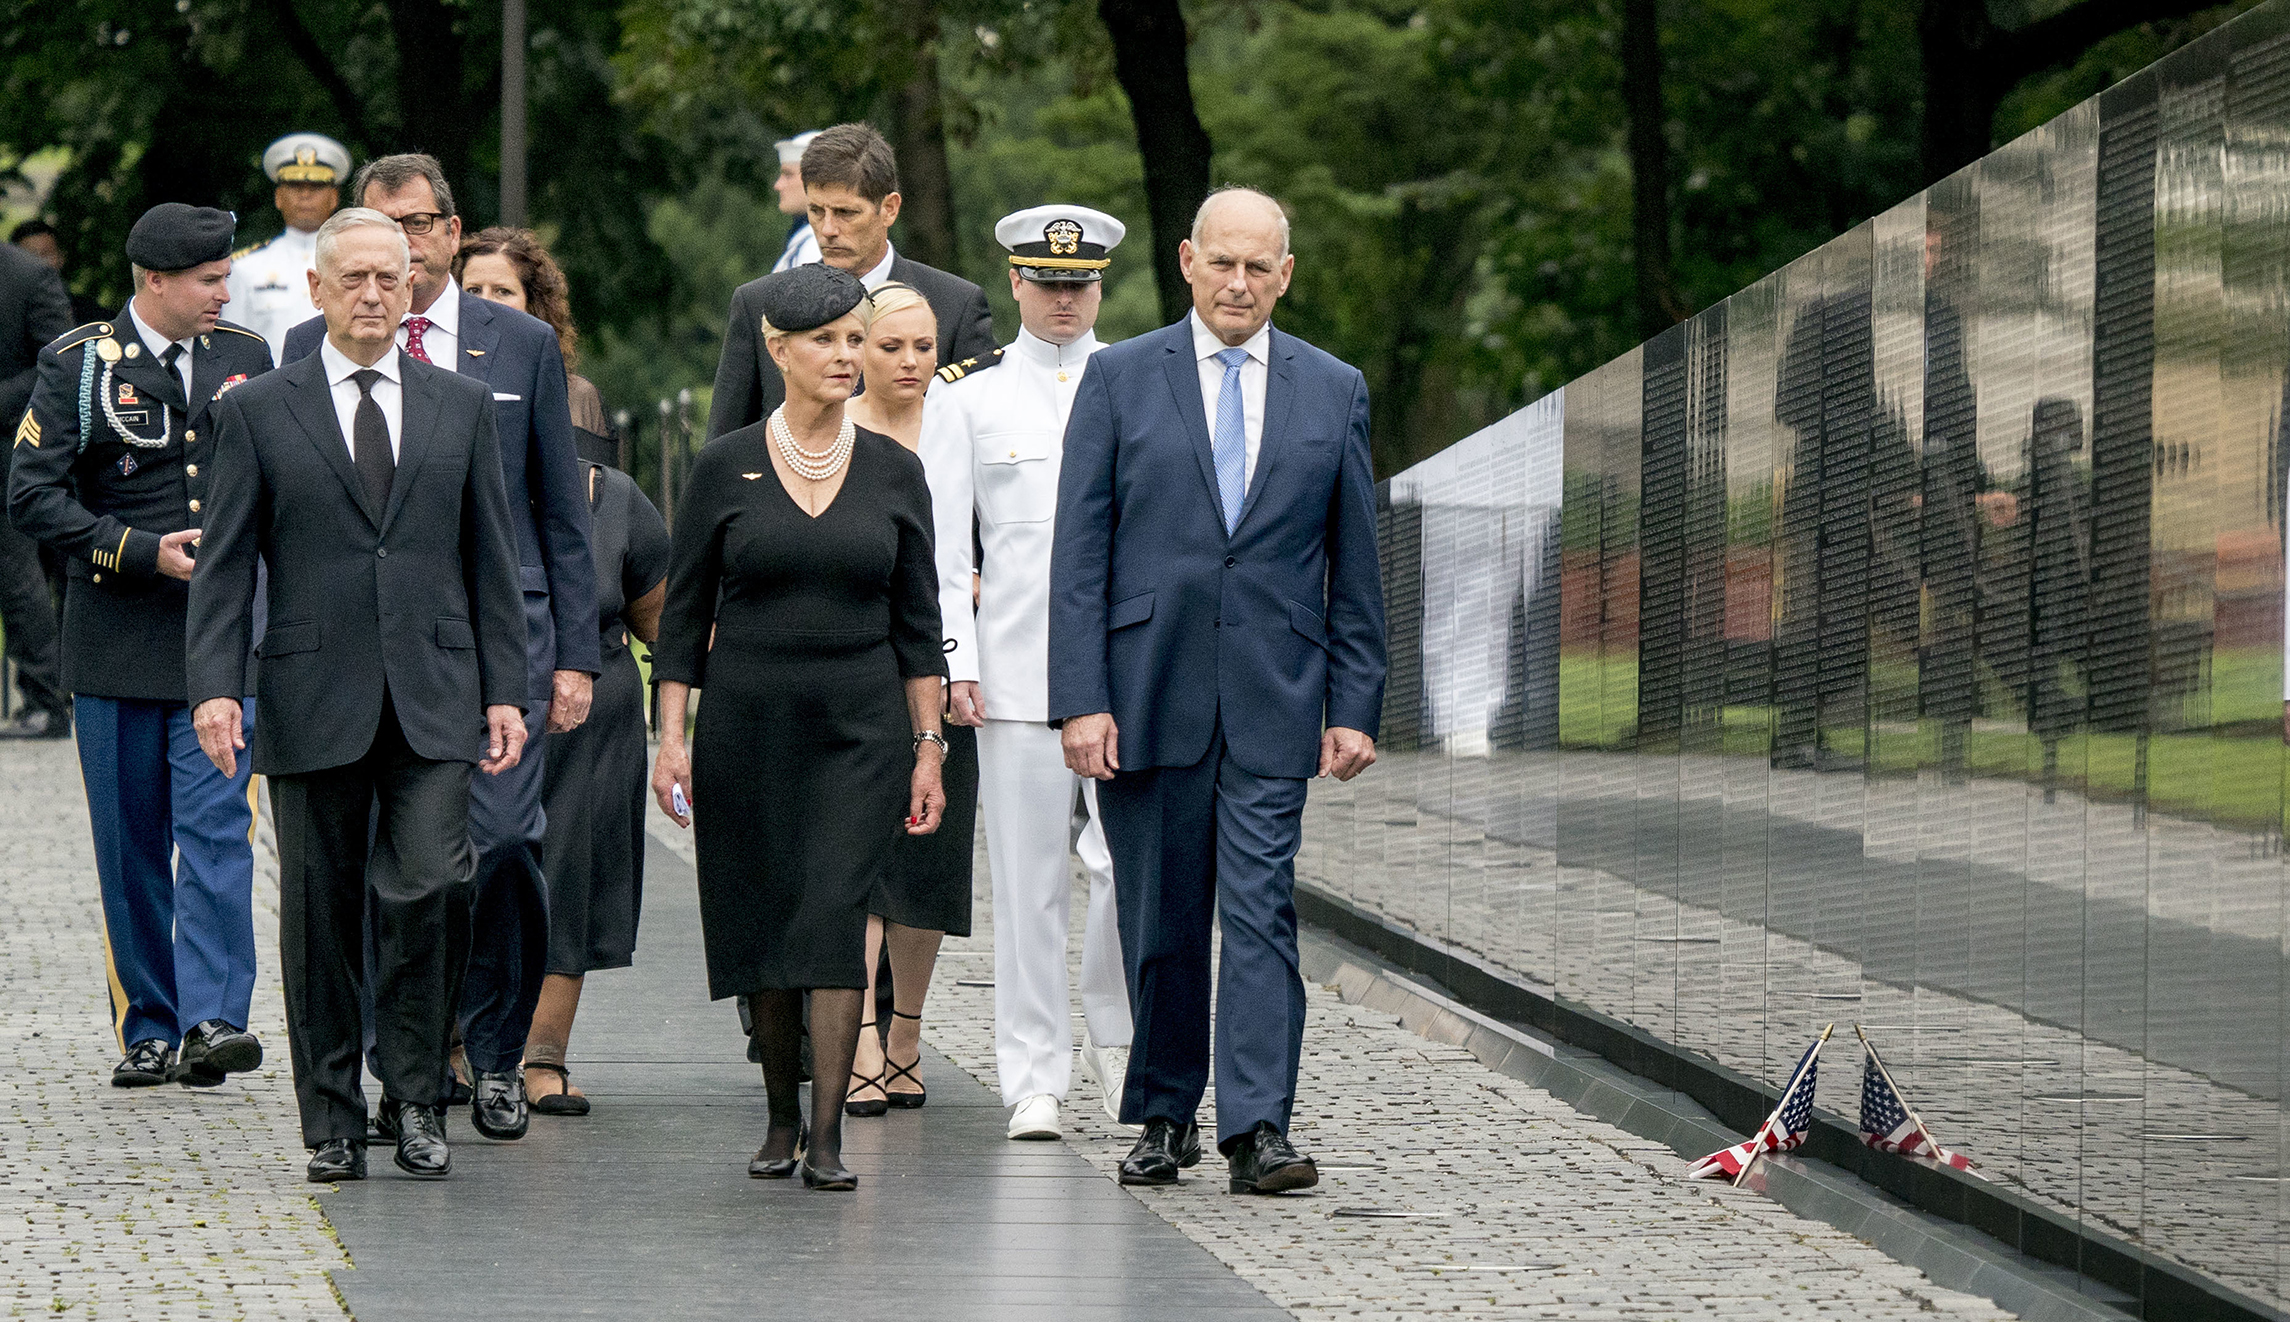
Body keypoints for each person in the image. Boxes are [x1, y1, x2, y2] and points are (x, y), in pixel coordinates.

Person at [1048, 188, 1385, 1194]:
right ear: (1188, 260)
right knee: (1158, 917)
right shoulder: (1117, 378)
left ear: (1285, 275)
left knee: (1258, 912)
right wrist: (1080, 697)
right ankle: (1161, 1113)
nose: (1238, 284)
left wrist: (1355, 702)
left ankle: (1258, 1127)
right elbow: (1080, 555)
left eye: (1259, 267)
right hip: (1146, 693)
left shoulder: (1335, 390)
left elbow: (1354, 561)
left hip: (1275, 694)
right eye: (1222, 263)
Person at [187, 207, 528, 1183]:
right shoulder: (258, 409)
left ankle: (416, 1096)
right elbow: (223, 563)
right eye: (357, 279)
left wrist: (505, 686)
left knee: (429, 887)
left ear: (413, 284)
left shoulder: (460, 403)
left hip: (435, 691)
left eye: (393, 276)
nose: (376, 293)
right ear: (318, 290)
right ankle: (330, 1115)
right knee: (319, 919)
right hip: (308, 689)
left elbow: (490, 560)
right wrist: (215, 685)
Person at [282, 154, 598, 1144]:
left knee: (497, 850)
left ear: (451, 232)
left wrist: (574, 654)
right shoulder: (305, 344)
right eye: (378, 228)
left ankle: (496, 1052)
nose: (399, 249)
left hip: (492, 645)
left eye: (417, 226)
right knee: (371, 874)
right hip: (346, 661)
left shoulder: (518, 345)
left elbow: (555, 511)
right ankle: (399, 1067)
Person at [651, 263, 949, 1191]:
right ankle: (779, 1119)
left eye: (856, 339)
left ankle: (826, 1136)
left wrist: (928, 748)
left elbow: (917, 624)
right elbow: (683, 613)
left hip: (860, 729)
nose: (847, 356)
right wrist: (672, 736)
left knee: (829, 913)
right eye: (827, 340)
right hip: (746, 724)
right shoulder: (723, 462)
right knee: (763, 926)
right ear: (778, 349)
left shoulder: (898, 471)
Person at [9, 203, 273, 1089]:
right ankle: (149, 1025)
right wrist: (139, 550)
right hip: (118, 640)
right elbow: (32, 497)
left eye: (225, 276)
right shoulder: (81, 367)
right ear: (154, 281)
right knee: (131, 847)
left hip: (216, 650)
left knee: (216, 834)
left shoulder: (246, 358)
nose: (222, 293)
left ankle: (212, 1019)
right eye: (206, 280)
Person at [920, 206, 1133, 1141]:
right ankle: (1034, 1073)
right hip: (1012, 670)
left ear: (1101, 287)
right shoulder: (968, 396)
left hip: (1128, 673)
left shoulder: (1139, 383)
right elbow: (939, 542)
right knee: (1028, 881)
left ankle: (1121, 1049)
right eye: (1047, 284)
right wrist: (955, 658)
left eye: (1080, 284)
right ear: (1013, 283)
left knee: (1128, 874)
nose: (1063, 300)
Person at [837, 280, 974, 1116]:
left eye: (925, 346)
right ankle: (853, 1041)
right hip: (861, 668)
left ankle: (907, 1031)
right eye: (892, 346)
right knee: (861, 862)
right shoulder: (837, 432)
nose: (911, 361)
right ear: (859, 349)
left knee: (927, 864)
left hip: (952, 670)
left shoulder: (961, 425)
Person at [526, 458, 667, 1116]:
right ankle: (455, 1048)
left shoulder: (615, 498)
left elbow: (661, 623)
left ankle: (542, 1056)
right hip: (472, 694)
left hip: (593, 715)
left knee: (572, 874)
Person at [706, 122, 995, 441]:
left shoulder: (956, 306)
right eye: (816, 211)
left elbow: (984, 440)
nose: (827, 229)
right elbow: (722, 452)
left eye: (845, 213)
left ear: (889, 209)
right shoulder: (758, 304)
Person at [456, 227, 616, 465]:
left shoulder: (575, 397)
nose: (485, 304)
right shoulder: (441, 381)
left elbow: (590, 494)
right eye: (473, 291)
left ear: (533, 304)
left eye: (502, 291)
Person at [0, 234, 74, 739]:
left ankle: (47, 700)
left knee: (18, 579)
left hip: (6, 451)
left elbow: (60, 363)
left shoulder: (28, 275)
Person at [224, 134, 350, 366]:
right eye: (294, 185)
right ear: (278, 197)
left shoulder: (355, 262)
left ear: (334, 197)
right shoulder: (245, 268)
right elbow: (232, 345)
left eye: (316, 185)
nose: (305, 194)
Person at [11, 220, 107, 324]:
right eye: (30, 256)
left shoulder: (93, 316)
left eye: (46, 255)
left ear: (61, 258)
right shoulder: (7, 320)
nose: (39, 264)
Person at [771, 130, 823, 274]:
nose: (778, 185)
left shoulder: (817, 245)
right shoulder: (804, 240)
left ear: (818, 182)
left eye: (788, 175)